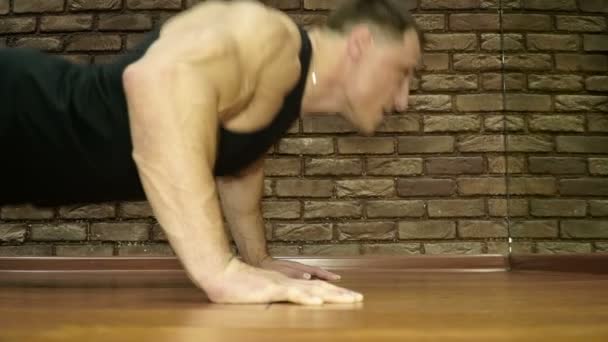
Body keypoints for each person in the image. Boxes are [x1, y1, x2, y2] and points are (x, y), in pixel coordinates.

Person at [0, 0, 422, 305]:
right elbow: (156, 79)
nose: (403, 99)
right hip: (17, 108)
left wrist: (257, 260)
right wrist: (219, 271)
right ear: (361, 43)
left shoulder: (285, 91)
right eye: (402, 72)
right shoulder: (266, 33)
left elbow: (237, 167)